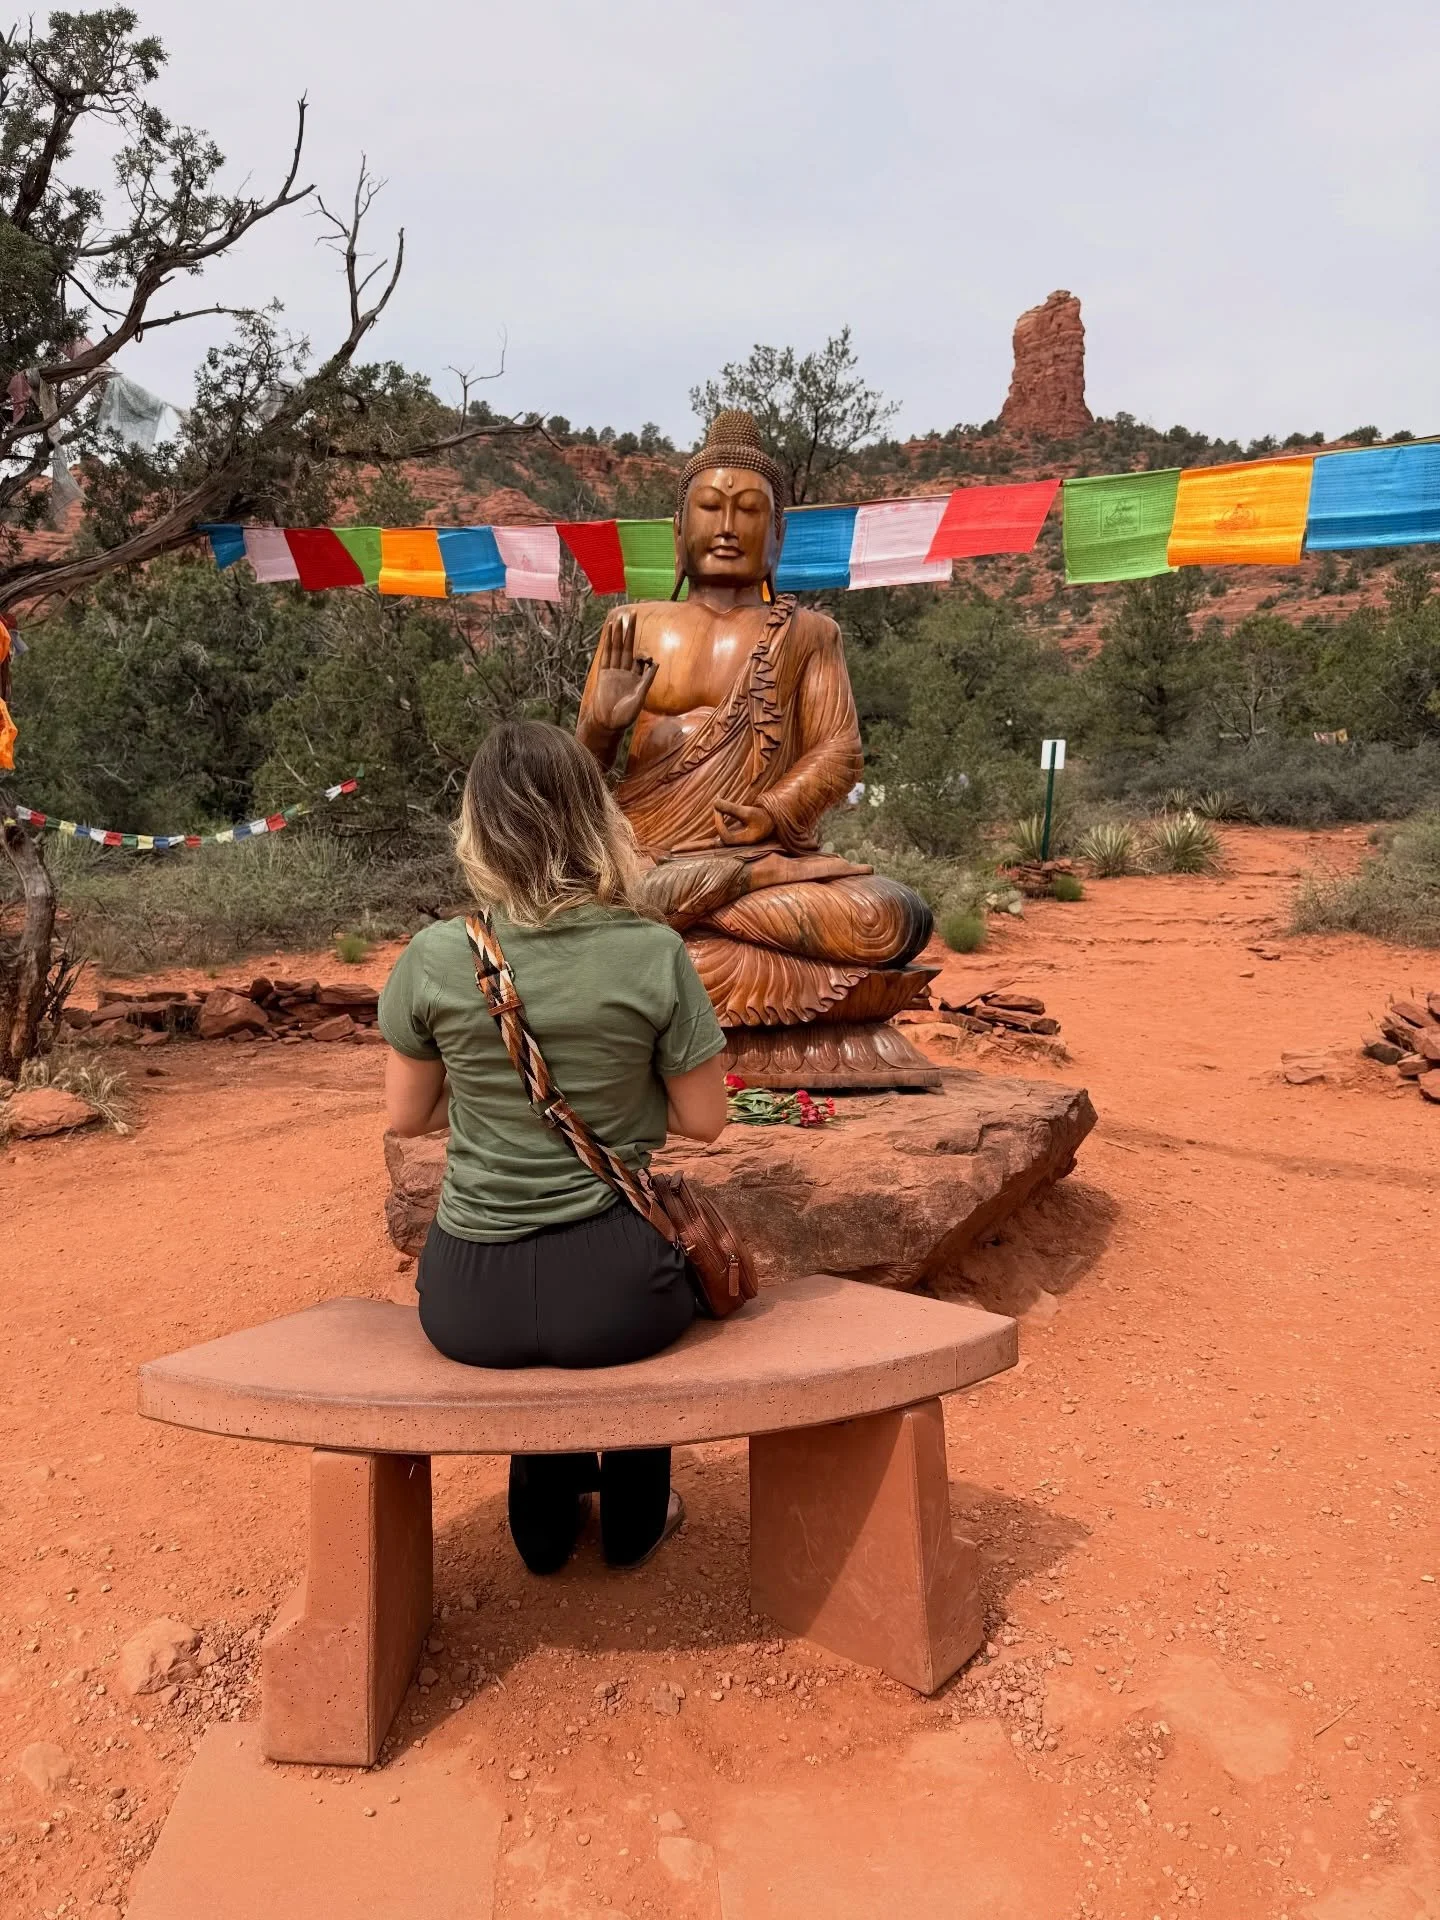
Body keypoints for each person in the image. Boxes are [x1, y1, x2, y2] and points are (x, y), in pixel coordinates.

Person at [380, 720, 728, 1576]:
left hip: (468, 1299)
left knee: (536, 1337)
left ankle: (542, 1530)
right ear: (595, 820)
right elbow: (706, 1119)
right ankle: (635, 1524)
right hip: (618, 1285)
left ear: (479, 831)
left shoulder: (434, 955)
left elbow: (409, 1117)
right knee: (612, 1323)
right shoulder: (652, 951)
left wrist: (492, 1078)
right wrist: (617, 1092)